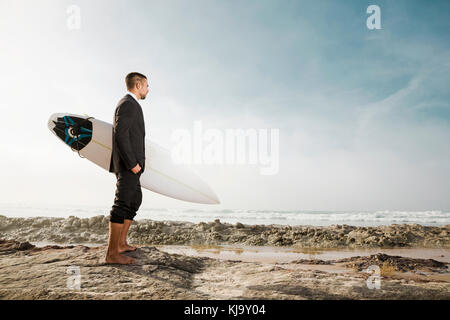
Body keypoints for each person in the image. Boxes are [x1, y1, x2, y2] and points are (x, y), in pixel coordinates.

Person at [105, 72, 149, 264]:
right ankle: (112, 254)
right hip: (128, 165)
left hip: (133, 167)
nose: (148, 89)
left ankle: (121, 244)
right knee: (122, 204)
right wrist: (132, 164)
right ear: (138, 85)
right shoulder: (127, 104)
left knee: (135, 200)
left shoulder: (131, 105)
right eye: (147, 85)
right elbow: (121, 135)